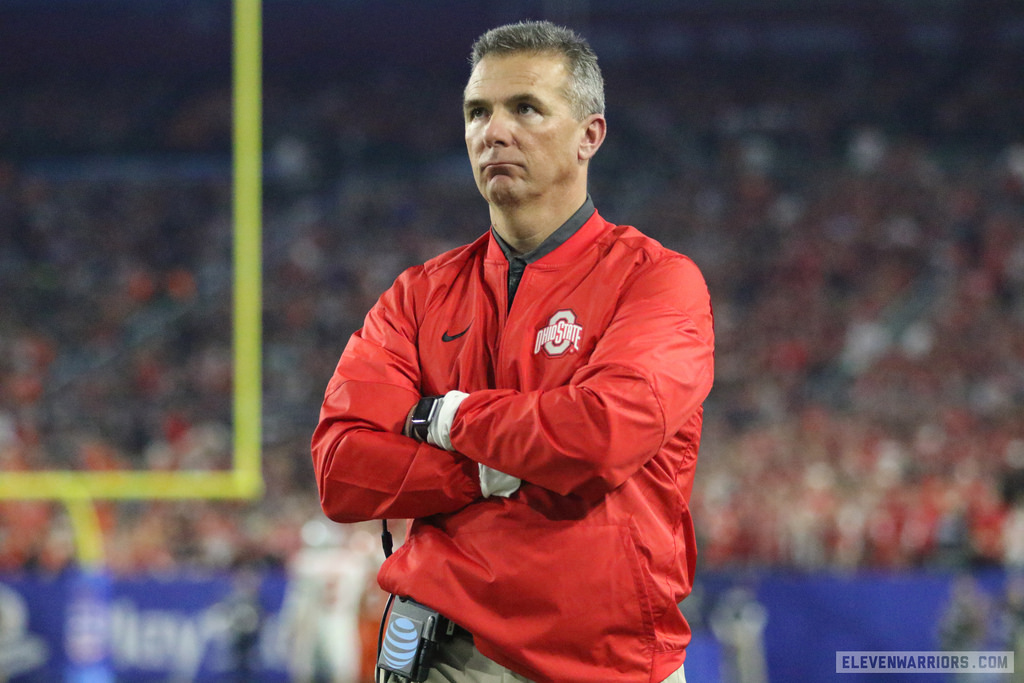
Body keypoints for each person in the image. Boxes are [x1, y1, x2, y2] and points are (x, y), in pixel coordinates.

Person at [311, 19, 714, 683]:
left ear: (590, 135)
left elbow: (602, 433)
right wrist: (483, 472)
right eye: (478, 111)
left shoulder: (657, 280)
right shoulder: (418, 296)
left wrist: (446, 419)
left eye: (525, 108)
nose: (493, 131)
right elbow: (342, 469)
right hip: (447, 656)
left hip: (607, 663)